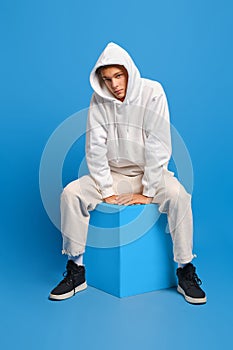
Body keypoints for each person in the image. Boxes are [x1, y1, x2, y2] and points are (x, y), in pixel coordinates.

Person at [49, 42, 207, 304]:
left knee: (179, 196)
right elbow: (95, 147)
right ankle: (76, 269)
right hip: (112, 175)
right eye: (107, 79)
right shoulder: (98, 100)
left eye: (118, 76)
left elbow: (159, 143)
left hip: (151, 173)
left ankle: (184, 270)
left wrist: (148, 191)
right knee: (71, 194)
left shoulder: (153, 92)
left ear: (129, 71)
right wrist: (107, 191)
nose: (114, 84)